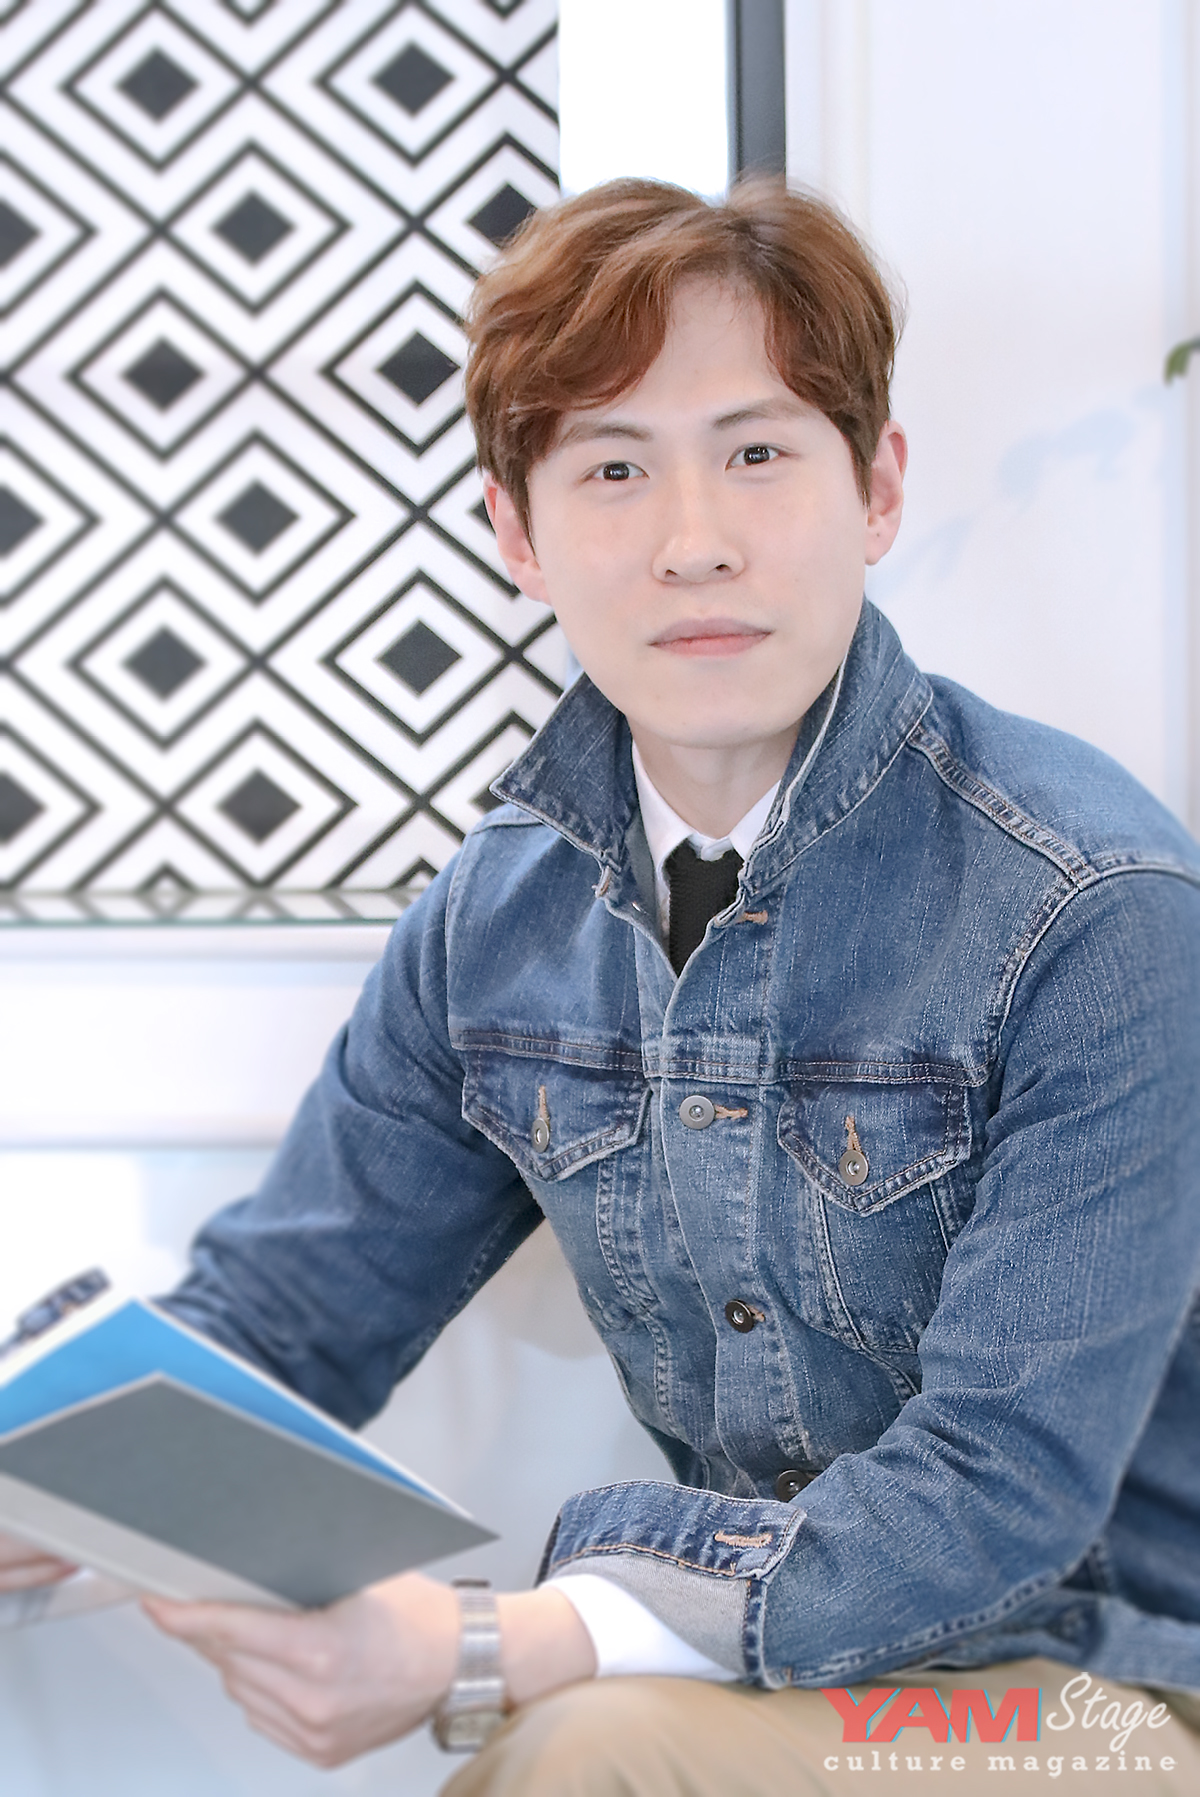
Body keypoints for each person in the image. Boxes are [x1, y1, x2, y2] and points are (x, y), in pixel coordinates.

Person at [3, 178, 1200, 1793]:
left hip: (1094, 1682)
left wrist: (491, 1641)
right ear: (519, 532)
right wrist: (53, 1466)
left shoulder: (1096, 905)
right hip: (759, 1681)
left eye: (757, 453)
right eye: (615, 469)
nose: (694, 539)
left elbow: (1001, 1491)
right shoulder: (499, 918)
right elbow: (286, 1316)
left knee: (592, 1747)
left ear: (876, 488)